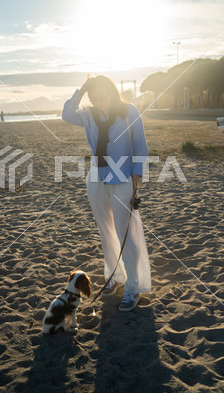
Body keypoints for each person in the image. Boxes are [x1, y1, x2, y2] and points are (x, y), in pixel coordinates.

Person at [62, 75, 151, 311]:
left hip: (123, 178)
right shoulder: (88, 115)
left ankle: (133, 286)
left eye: (103, 97)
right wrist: (81, 90)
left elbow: (141, 147)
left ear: (112, 92)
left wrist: (136, 179)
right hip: (96, 177)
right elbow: (66, 114)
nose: (99, 102)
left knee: (125, 232)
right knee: (106, 230)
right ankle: (115, 276)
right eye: (94, 98)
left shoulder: (129, 112)